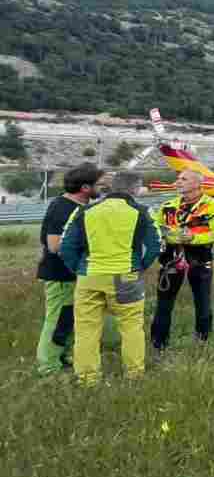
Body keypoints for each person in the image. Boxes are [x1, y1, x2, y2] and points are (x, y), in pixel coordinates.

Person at [58, 171, 161, 386]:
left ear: (113, 187)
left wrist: (79, 269)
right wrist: (140, 266)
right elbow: (156, 245)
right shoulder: (142, 211)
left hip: (90, 276)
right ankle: (134, 375)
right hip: (126, 275)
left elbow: (66, 246)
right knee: (131, 327)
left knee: (86, 330)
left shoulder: (85, 211)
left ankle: (87, 379)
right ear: (134, 189)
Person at [34, 163, 106, 375]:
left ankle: (63, 356)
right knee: (56, 320)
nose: (102, 189)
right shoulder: (63, 208)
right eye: (99, 184)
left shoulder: (76, 207)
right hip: (60, 274)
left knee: (70, 319)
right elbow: (54, 245)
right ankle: (48, 366)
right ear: (85, 187)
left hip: (73, 274)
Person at [150, 170, 214, 351]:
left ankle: (203, 341)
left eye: (184, 179)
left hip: (200, 258)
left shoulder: (213, 206)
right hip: (171, 259)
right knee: (164, 303)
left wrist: (193, 238)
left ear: (197, 184)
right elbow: (155, 228)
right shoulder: (167, 206)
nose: (178, 182)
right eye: (178, 179)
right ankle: (158, 344)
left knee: (202, 301)